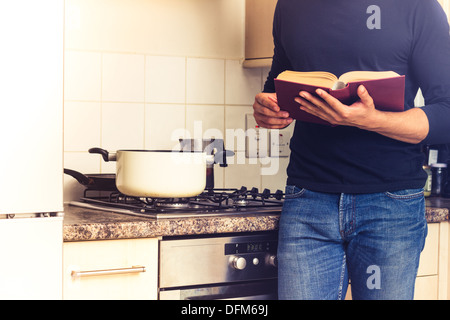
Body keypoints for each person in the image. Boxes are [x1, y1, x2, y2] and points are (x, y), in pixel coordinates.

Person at [253, 0, 450, 300]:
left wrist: (373, 121)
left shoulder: (418, 7)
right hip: (307, 202)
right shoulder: (290, 6)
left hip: (390, 207)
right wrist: (267, 109)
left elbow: (447, 113)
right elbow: (278, 86)